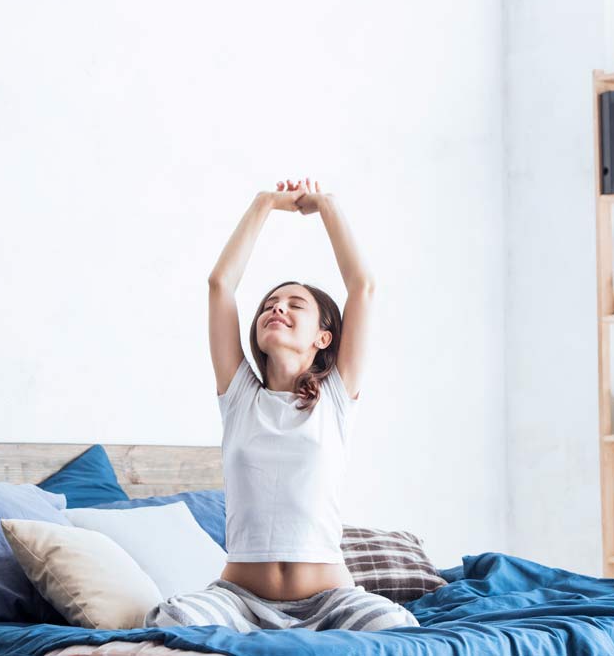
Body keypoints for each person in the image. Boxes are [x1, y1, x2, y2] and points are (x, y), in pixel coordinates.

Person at [143, 178, 419, 633]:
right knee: (172, 621)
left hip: (330, 600)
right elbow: (220, 285)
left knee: (399, 633)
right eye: (270, 304)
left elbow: (363, 286)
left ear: (323, 338)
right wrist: (263, 204)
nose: (278, 309)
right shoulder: (239, 396)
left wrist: (325, 205)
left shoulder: (336, 397)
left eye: (295, 305)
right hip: (240, 601)